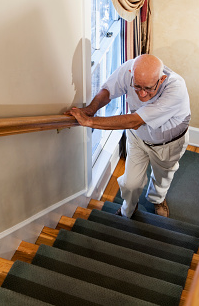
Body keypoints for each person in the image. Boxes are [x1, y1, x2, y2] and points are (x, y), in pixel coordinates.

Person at [66, 54, 190, 218]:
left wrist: (89, 121)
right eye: (137, 87)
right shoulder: (129, 69)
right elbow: (108, 90)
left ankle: (157, 199)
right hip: (138, 138)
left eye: (148, 88)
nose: (142, 94)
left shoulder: (176, 89)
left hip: (168, 143)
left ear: (161, 80)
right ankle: (128, 209)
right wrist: (91, 109)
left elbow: (134, 121)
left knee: (162, 178)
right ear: (132, 73)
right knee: (130, 183)